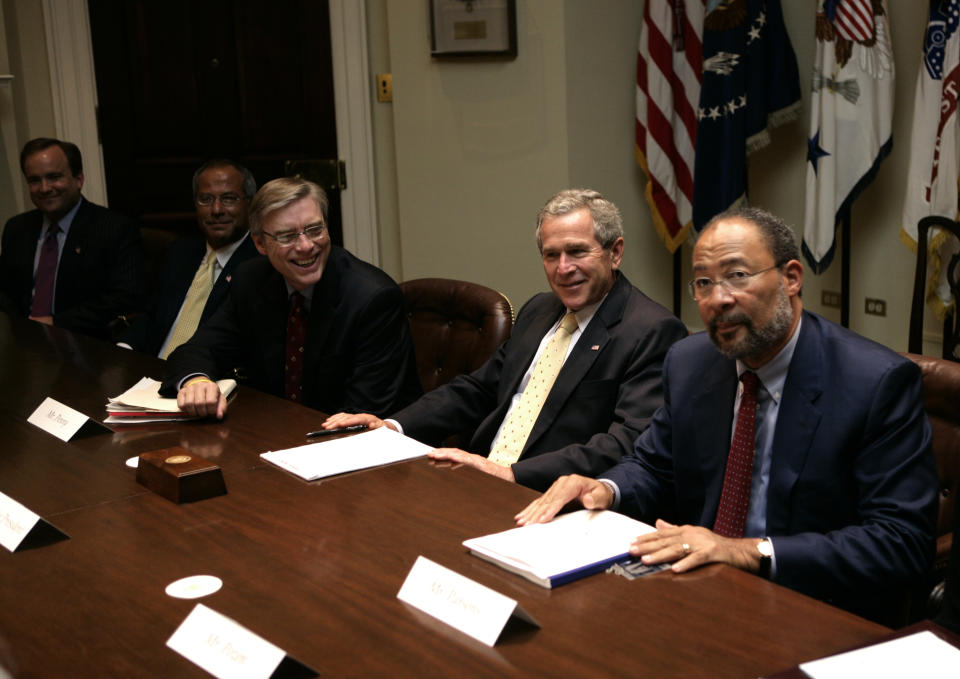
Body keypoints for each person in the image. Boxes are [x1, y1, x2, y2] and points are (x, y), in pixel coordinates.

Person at [516, 206, 938, 621]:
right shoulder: (690, 362)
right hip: (698, 591)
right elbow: (655, 464)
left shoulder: (875, 383)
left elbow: (901, 542)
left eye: (737, 276)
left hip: (810, 605)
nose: (718, 299)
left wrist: (748, 551)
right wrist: (606, 488)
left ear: (791, 278)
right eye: (703, 282)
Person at [323, 189, 687, 491]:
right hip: (478, 477)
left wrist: (512, 474)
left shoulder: (651, 331)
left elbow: (624, 444)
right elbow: (478, 390)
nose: (563, 268)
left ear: (615, 252)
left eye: (577, 251)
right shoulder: (540, 310)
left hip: (550, 494)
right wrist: (393, 427)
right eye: (551, 255)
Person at [160, 176, 421, 418]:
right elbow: (197, 350)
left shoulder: (372, 299)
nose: (306, 245)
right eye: (286, 236)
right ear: (260, 244)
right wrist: (196, 382)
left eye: (315, 229)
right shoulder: (252, 280)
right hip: (277, 434)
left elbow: (362, 415)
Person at [0, 138, 144, 339]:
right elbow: (5, 292)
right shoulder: (17, 228)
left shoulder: (114, 228)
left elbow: (125, 297)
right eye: (34, 180)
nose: (44, 188)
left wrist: (55, 324)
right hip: (23, 341)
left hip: (84, 344)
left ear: (79, 179)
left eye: (54, 177)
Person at [118, 159, 261, 357]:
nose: (217, 210)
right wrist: (123, 349)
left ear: (250, 204)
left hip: (204, 378)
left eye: (228, 198)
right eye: (206, 199)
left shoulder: (260, 264)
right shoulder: (180, 252)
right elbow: (153, 316)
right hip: (149, 371)